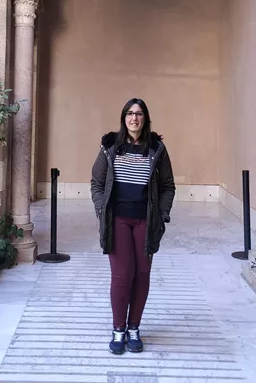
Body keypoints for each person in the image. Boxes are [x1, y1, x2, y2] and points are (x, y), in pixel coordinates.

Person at [90, 98, 175, 355]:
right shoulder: (110, 147)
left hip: (146, 221)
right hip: (117, 220)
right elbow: (96, 182)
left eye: (139, 114)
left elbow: (168, 186)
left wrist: (161, 215)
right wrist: (101, 210)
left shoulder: (157, 148)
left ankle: (134, 328)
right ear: (123, 117)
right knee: (122, 275)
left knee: (141, 276)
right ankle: (118, 330)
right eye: (129, 113)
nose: (134, 118)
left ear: (145, 118)